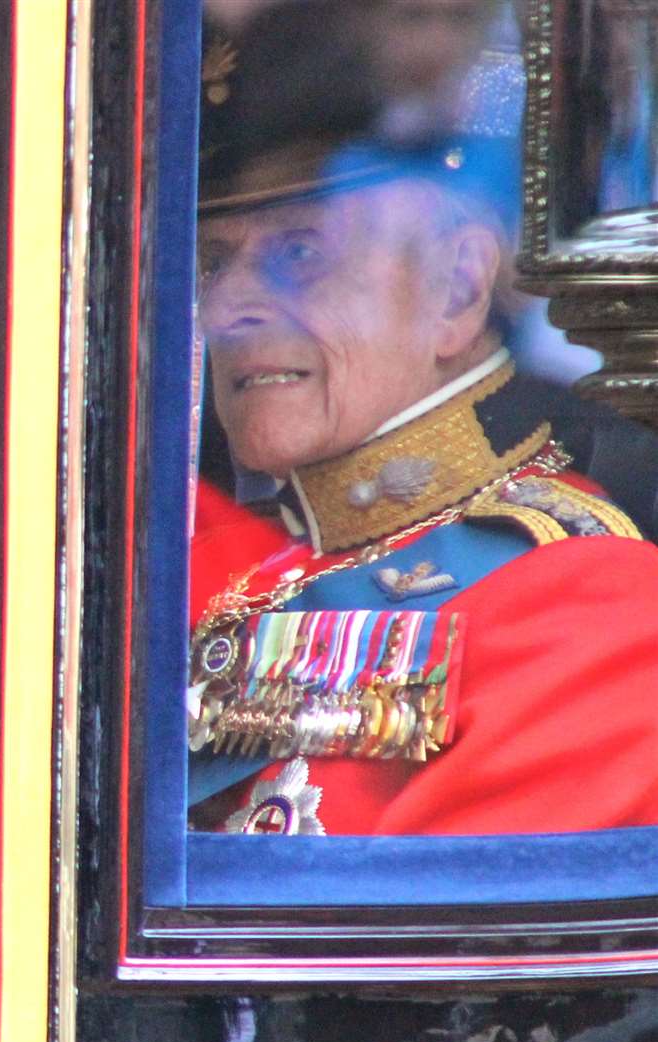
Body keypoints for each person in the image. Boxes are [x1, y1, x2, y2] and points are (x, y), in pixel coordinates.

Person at [186, 13, 658, 836]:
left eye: (300, 254)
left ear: (456, 286)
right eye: (214, 262)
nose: (227, 308)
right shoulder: (214, 564)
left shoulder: (594, 608)